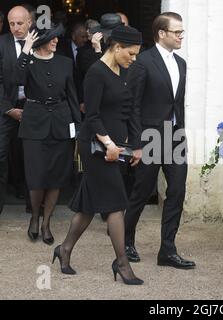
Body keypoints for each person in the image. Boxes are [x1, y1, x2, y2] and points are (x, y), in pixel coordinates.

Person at [53, 25, 143, 285]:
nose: (134, 59)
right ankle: (122, 263)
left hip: (116, 146)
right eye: (131, 53)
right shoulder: (96, 73)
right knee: (116, 203)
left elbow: (126, 110)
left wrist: (132, 146)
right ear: (116, 48)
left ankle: (65, 249)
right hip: (96, 146)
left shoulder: (121, 71)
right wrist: (109, 144)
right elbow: (91, 116)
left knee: (88, 205)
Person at [124, 12, 195, 270]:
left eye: (181, 32)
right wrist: (137, 144)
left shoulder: (182, 63)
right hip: (150, 137)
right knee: (141, 193)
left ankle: (168, 250)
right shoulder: (142, 62)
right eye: (176, 32)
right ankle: (126, 241)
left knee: (176, 192)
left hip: (175, 136)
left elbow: (177, 103)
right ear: (161, 33)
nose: (180, 36)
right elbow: (132, 106)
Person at [13, 23, 81, 244]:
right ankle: (34, 216)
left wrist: (77, 127)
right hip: (34, 124)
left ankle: (46, 223)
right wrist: (26, 49)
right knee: (36, 176)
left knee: (56, 176)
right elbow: (16, 78)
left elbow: (72, 95)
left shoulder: (65, 62)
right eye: (51, 38)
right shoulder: (29, 62)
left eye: (56, 38)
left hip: (61, 123)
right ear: (40, 41)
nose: (56, 41)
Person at [0, 6, 32, 215]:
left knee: (33, 158)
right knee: (1, 156)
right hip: (6, 108)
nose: (15, 28)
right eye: (12, 23)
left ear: (30, 22)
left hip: (33, 108)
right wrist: (8, 108)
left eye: (20, 23)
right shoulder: (1, 43)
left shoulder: (41, 41)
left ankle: (34, 207)